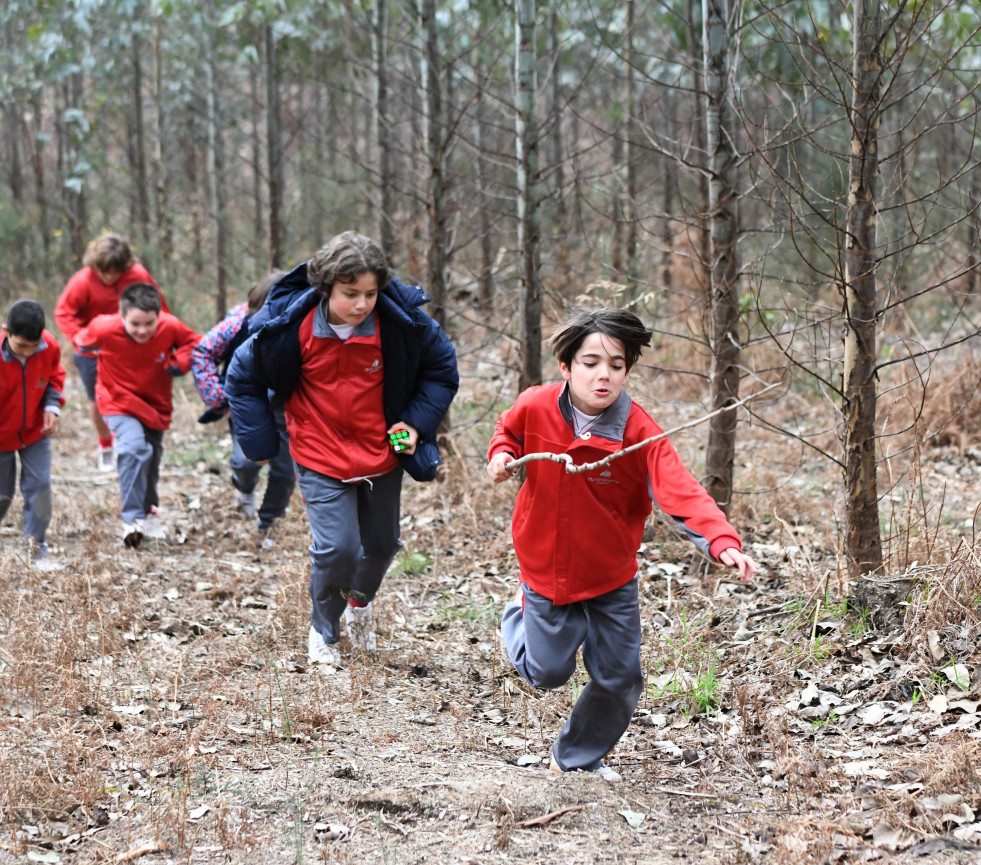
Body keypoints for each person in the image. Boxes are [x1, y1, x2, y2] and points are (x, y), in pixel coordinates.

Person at [487, 308, 758, 783]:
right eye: (591, 362)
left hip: (610, 576)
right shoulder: (535, 405)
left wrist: (720, 540)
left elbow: (681, 489)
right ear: (567, 368)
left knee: (620, 678)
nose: (603, 374)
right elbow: (507, 429)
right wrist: (503, 455)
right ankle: (517, 613)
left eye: (616, 364)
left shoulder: (639, 433)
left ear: (627, 370)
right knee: (547, 673)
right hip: (545, 570)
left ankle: (575, 757)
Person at [225, 231, 458, 666]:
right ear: (325, 287)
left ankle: (361, 605)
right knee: (338, 548)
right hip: (319, 452)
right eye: (350, 294)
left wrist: (416, 424)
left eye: (371, 294)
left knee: (383, 545)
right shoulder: (289, 328)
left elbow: (441, 369)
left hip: (381, 450)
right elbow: (242, 376)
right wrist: (259, 441)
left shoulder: (401, 326)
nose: (362, 304)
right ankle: (324, 631)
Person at [74, 282, 199, 548]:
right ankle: (131, 520)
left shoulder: (171, 325)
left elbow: (194, 343)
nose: (142, 330)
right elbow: (81, 347)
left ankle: (148, 512)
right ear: (122, 317)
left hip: (155, 405)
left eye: (149, 323)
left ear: (158, 316)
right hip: (117, 400)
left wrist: (179, 363)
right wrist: (94, 381)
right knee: (132, 448)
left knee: (151, 461)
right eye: (135, 324)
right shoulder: (102, 327)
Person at [191, 272, 295, 545]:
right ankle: (245, 488)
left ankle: (269, 524)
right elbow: (203, 352)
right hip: (246, 403)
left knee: (285, 472)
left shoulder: (301, 325)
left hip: (286, 407)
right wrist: (218, 398)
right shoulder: (236, 323)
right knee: (244, 461)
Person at [54, 233, 168, 471]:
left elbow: (159, 307)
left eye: (114, 271)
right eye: (103, 271)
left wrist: (163, 338)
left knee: (134, 394)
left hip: (131, 348)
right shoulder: (83, 281)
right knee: (98, 399)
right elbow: (64, 313)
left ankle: (133, 438)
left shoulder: (138, 276)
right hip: (92, 352)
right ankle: (105, 444)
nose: (107, 277)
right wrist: (82, 339)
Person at [0, 300, 66, 563]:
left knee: (40, 486)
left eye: (33, 346)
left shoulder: (48, 346)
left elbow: (54, 377)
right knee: (2, 496)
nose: (28, 353)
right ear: (6, 331)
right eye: (21, 347)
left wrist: (52, 406)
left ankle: (36, 548)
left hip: (34, 431)